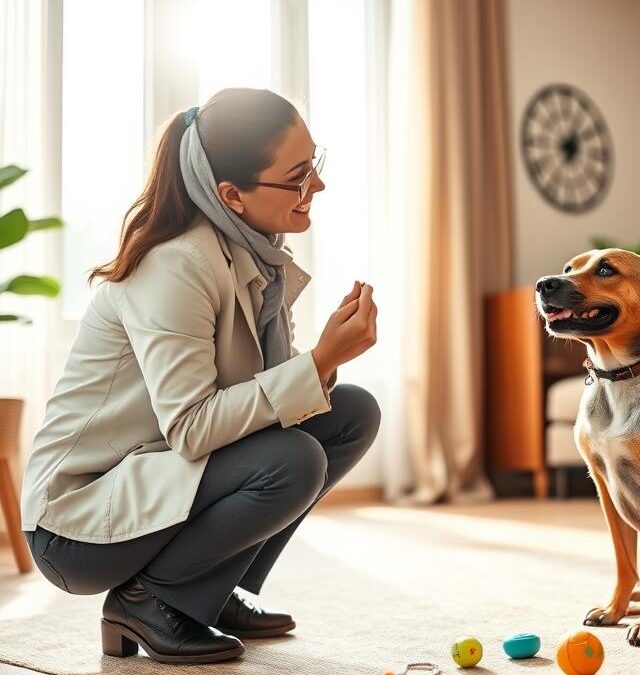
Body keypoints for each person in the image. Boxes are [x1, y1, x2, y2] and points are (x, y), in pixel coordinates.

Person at [19, 88, 381, 664]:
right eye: (297, 175)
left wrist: (325, 366)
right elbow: (191, 426)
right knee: (294, 459)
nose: (317, 186)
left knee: (350, 413)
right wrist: (318, 362)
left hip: (161, 474)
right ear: (231, 196)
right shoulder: (177, 264)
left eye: (315, 163)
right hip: (77, 525)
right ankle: (150, 597)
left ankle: (207, 591)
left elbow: (251, 402)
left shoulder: (253, 251)